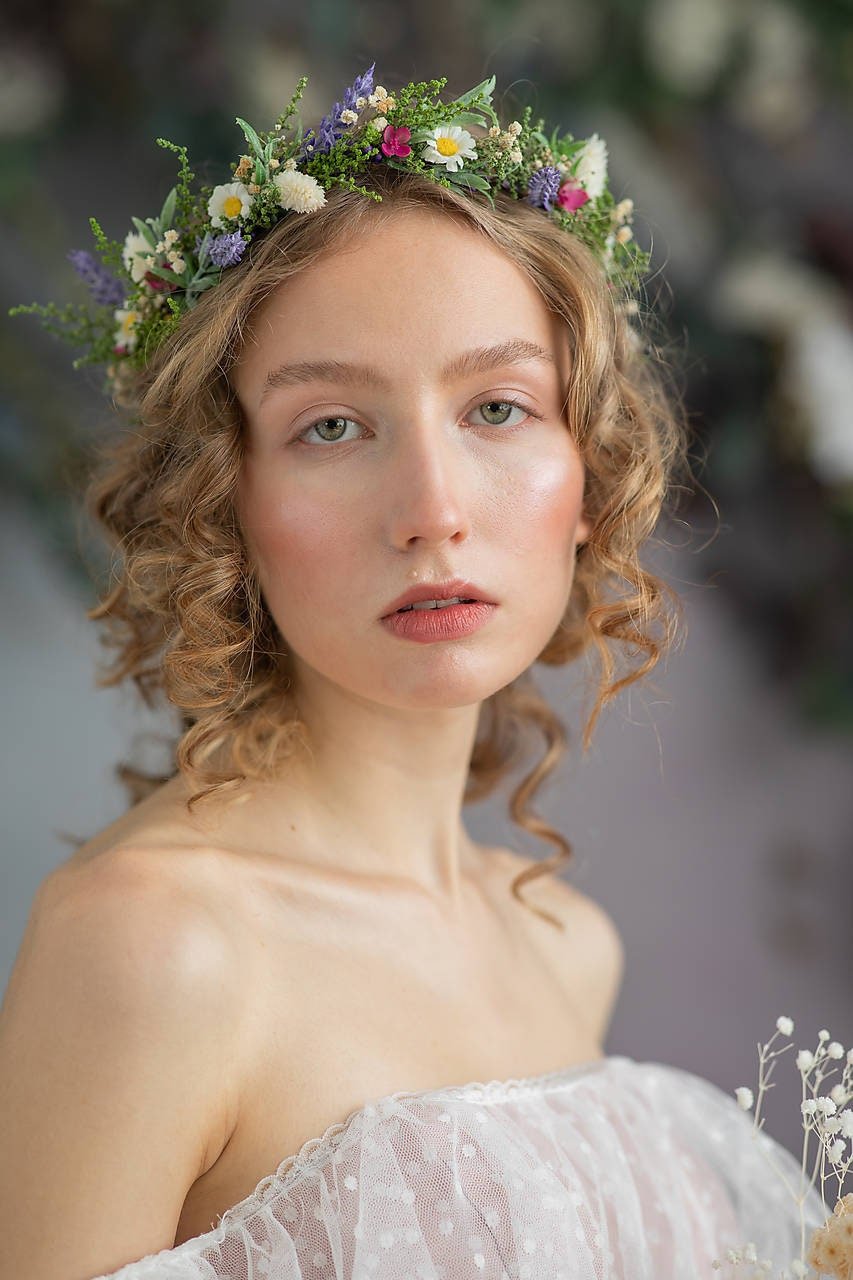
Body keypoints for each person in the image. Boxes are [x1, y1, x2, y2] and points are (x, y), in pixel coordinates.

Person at [1, 65, 827, 1280]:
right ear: (220, 499)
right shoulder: (153, 945)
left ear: (588, 473)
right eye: (331, 425)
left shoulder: (560, 942)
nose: (432, 510)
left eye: (497, 407)